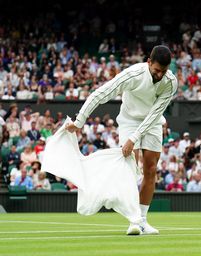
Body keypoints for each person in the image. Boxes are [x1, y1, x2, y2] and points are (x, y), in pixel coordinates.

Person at [66, 45, 178, 235]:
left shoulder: (170, 82)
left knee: (150, 169)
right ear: (148, 62)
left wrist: (134, 139)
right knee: (129, 168)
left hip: (152, 122)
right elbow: (101, 93)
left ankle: (142, 220)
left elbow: (154, 114)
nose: (160, 75)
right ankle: (133, 220)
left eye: (164, 71)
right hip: (128, 121)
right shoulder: (132, 74)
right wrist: (80, 121)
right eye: (157, 70)